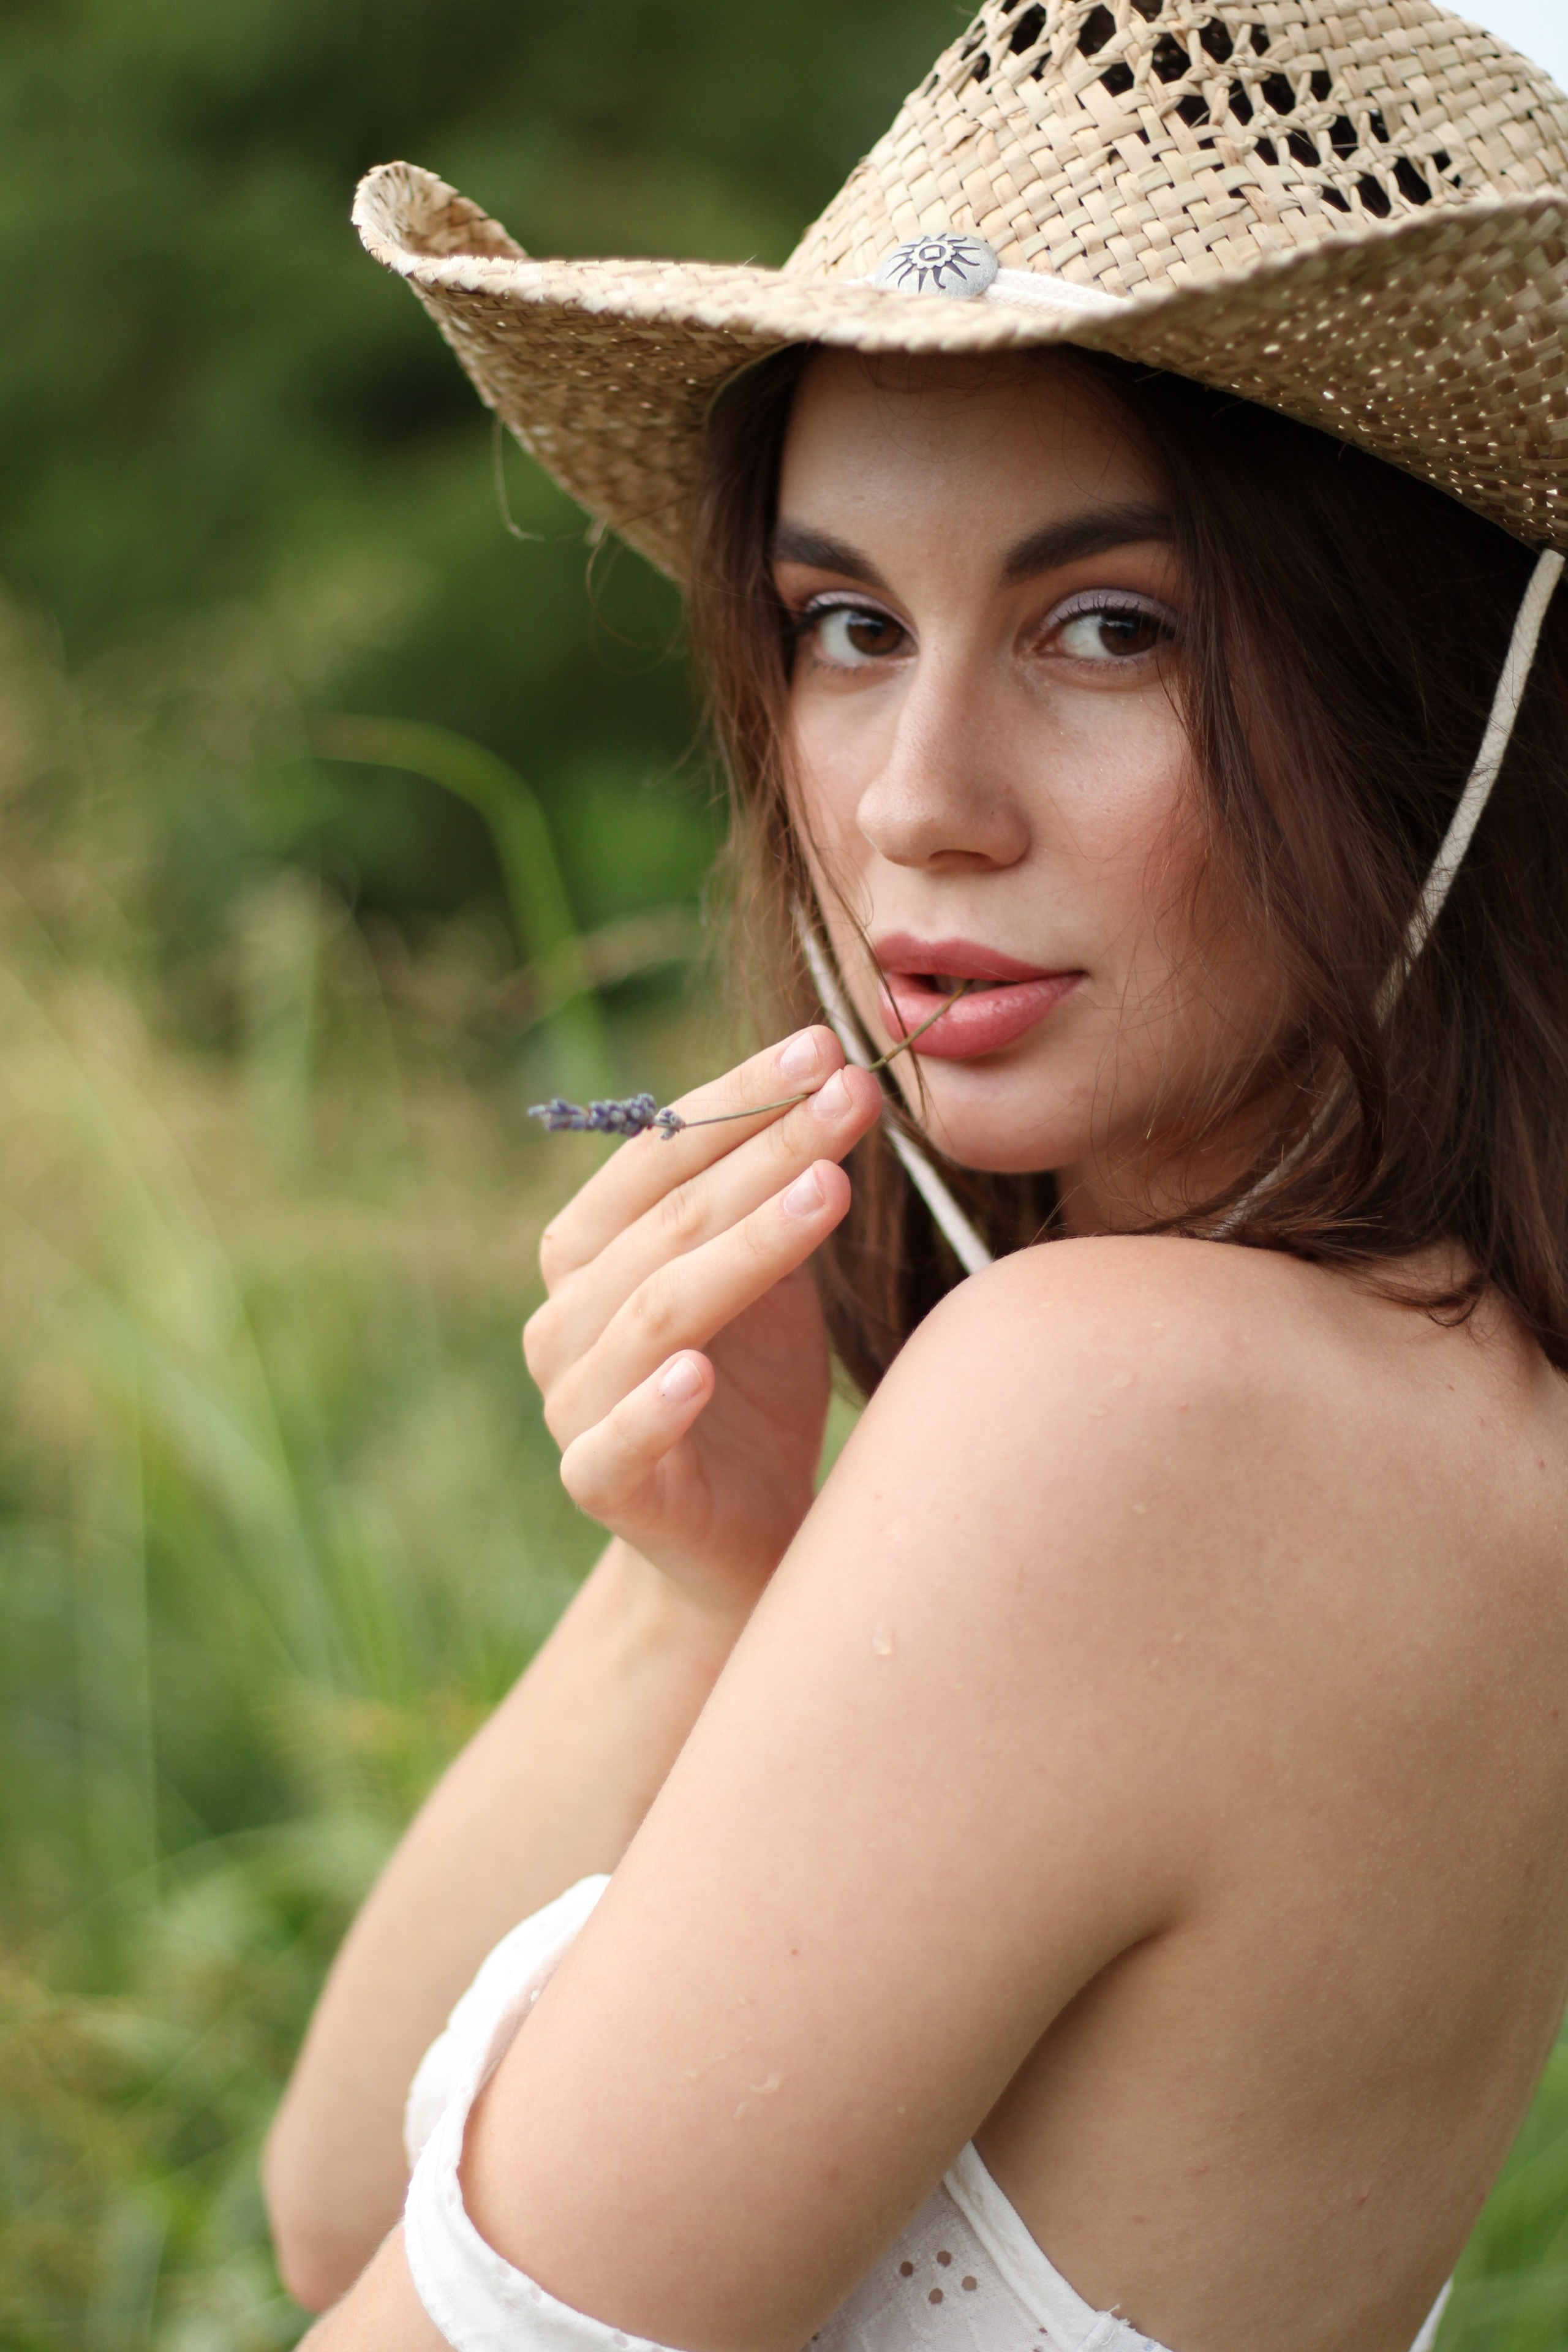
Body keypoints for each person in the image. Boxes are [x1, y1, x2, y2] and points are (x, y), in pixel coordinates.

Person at [262, 5, 1568, 2348]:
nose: (909, 801)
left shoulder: (1131, 1412)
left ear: (1433, 683)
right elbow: (335, 2201)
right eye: (848, 624)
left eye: (1109, 628)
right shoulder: (1458, 1406)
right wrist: (694, 1580)